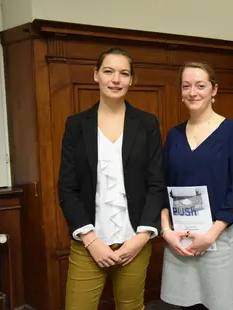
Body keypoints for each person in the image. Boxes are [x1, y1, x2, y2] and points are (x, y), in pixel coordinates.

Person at [57, 47, 165, 310]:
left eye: (124, 73)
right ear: (96, 75)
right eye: (108, 71)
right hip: (89, 242)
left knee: (131, 306)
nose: (116, 79)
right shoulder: (76, 124)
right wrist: (91, 241)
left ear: (131, 80)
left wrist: (141, 239)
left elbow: (156, 184)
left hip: (135, 242)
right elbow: (67, 188)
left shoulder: (147, 123)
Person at [159, 61, 233, 310]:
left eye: (200, 85)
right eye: (186, 86)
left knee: (218, 305)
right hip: (180, 240)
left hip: (217, 238)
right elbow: (162, 188)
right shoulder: (174, 135)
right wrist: (167, 232)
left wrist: (210, 236)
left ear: (214, 90)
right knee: (182, 305)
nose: (193, 92)